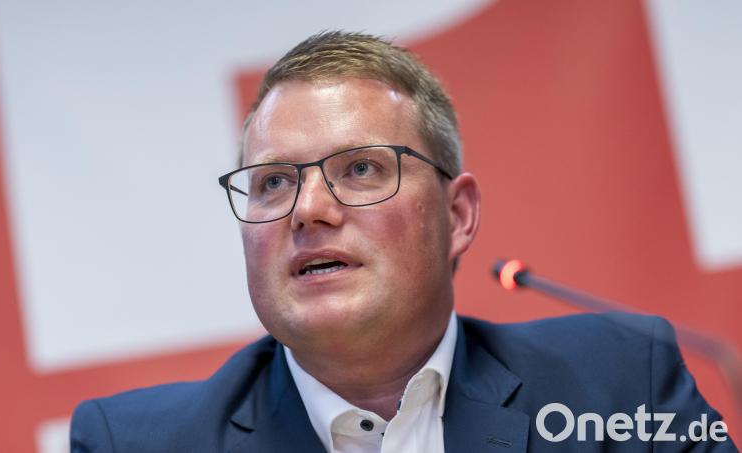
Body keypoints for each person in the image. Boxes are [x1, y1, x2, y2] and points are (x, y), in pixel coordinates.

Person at [71, 31, 736, 452]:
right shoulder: (134, 442)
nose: (307, 209)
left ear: (458, 216)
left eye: (359, 169)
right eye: (273, 182)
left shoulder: (618, 384)